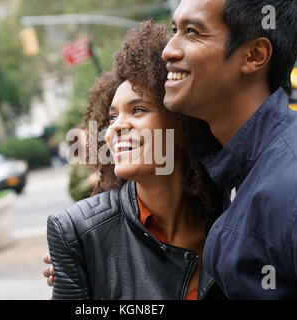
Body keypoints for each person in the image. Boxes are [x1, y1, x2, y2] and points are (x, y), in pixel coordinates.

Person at [162, 0, 297, 299]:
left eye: (192, 32)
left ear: (254, 56)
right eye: (174, 30)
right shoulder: (226, 164)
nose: (168, 50)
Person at [45, 21, 223, 300]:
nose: (115, 127)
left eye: (138, 110)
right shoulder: (80, 234)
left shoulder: (232, 211)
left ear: (183, 122)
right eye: (113, 117)